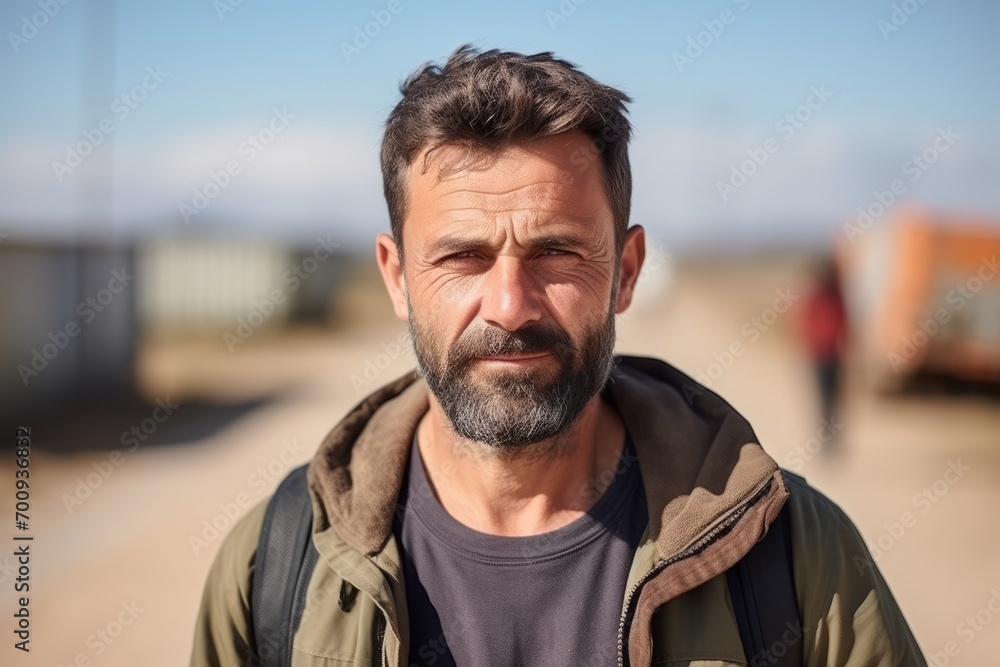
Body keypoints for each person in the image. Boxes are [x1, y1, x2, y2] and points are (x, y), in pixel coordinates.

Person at [191, 45, 925, 666]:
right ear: (397, 277)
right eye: (462, 257)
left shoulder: (792, 557)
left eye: (556, 252)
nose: (510, 305)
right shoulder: (277, 568)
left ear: (627, 271)